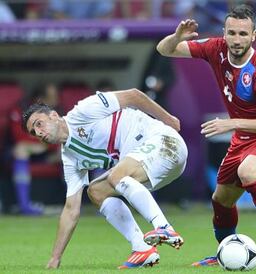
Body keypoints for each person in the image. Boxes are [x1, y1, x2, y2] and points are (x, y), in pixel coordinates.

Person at [157, 4, 256, 267]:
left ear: (253, 35)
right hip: (243, 137)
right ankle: (225, 250)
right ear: (224, 32)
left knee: (249, 172)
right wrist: (177, 37)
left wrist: (231, 123)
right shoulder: (216, 48)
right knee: (221, 200)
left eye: (243, 34)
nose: (236, 39)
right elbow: (163, 49)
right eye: (232, 33)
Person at [22, 88, 188, 269]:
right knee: (96, 191)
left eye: (39, 124)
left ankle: (164, 227)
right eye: (33, 132)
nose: (38, 133)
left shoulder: (83, 111)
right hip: (154, 168)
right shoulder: (70, 159)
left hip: (164, 142)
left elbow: (133, 95)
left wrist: (168, 119)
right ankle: (142, 248)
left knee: (117, 175)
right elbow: (71, 210)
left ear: (54, 115)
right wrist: (55, 258)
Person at [9, 83, 60, 215]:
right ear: (41, 100)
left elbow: (61, 136)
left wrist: (45, 145)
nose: (56, 101)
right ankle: (25, 206)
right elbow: (19, 137)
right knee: (21, 149)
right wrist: (41, 142)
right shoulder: (20, 109)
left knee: (68, 151)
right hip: (21, 153)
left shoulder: (55, 112)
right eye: (52, 97)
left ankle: (74, 203)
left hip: (47, 154)